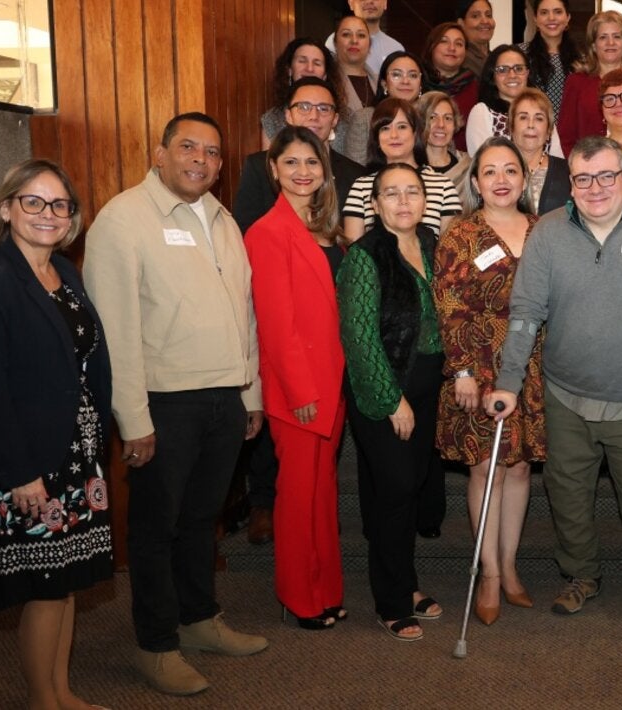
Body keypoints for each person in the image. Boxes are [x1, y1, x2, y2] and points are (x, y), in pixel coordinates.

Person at [84, 113, 268, 695]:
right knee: (155, 527)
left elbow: (246, 312)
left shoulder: (223, 219)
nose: (201, 159)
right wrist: (132, 419)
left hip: (223, 397)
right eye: (188, 146)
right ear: (159, 153)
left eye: (212, 152)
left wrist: (250, 391)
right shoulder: (123, 219)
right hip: (163, 405)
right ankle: (156, 643)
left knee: (201, 520)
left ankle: (199, 619)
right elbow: (113, 331)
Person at [485, 135, 622, 626]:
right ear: (571, 184)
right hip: (565, 394)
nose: (595, 187)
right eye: (583, 178)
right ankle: (580, 575)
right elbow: (524, 315)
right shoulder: (549, 233)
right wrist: (508, 383)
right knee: (569, 496)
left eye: (606, 176)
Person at [0, 159, 111, 710]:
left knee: (66, 582)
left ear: (72, 218)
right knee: (44, 584)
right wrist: (20, 473)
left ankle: (62, 692)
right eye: (33, 202)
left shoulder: (65, 273)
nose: (48, 214)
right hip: (22, 460)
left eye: (59, 205)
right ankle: (43, 701)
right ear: (6, 208)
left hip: (74, 450)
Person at [434, 138, 547, 626]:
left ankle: (511, 565)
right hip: (477, 366)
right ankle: (489, 573)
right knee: (487, 469)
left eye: (510, 171)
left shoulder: (545, 230)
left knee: (519, 469)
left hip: (535, 365)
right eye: (489, 172)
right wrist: (460, 369)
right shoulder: (460, 234)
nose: (501, 179)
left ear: (524, 179)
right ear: (475, 182)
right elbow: (448, 305)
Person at [336, 163, 447, 642]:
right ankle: (392, 601)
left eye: (412, 192)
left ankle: (406, 582)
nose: (403, 201)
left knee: (410, 487)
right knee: (396, 488)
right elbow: (359, 340)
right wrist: (392, 401)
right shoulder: (363, 257)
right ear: (375, 205)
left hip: (429, 386)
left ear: (424, 200)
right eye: (391, 194)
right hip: (382, 388)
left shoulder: (431, 246)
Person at [243, 127, 348, 631]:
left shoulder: (325, 228)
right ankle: (298, 596)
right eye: (292, 163)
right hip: (300, 391)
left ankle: (325, 588)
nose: (303, 172)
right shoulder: (266, 232)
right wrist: (301, 390)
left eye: (312, 162)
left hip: (333, 383)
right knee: (297, 498)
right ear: (273, 168)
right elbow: (276, 323)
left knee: (322, 494)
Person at [235, 77, 365, 235]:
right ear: (288, 115)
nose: (314, 116)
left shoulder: (356, 175)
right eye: (304, 107)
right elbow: (244, 231)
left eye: (324, 109)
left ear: (335, 119)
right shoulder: (259, 166)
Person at [343, 97, 462, 242]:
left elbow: (450, 251)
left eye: (402, 127)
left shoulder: (443, 186)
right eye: (385, 128)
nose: (394, 135)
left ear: (415, 134)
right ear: (377, 138)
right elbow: (353, 250)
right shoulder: (361, 187)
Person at [556, 11, 622, 155]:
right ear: (593, 45)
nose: (610, 43)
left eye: (617, 37)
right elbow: (566, 135)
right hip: (588, 168)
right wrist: (579, 168)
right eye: (603, 37)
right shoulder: (576, 82)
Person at [466, 46, 562, 156]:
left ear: (527, 73)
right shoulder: (482, 112)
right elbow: (482, 162)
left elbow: (557, 161)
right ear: (493, 76)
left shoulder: (542, 111)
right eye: (503, 70)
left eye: (519, 69)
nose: (512, 75)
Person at [259, 38, 350, 154]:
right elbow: (268, 166)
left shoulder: (346, 117)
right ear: (290, 70)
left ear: (325, 75)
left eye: (317, 63)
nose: (310, 68)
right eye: (302, 61)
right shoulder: (272, 119)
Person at [510, 88, 572, 215]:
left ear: (549, 131)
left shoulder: (568, 171)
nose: (531, 125)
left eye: (539, 118)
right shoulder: (496, 171)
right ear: (511, 127)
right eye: (523, 118)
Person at [521, 0, 580, 117]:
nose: (551, 18)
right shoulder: (519, 53)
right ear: (535, 19)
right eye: (544, 13)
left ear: (568, 17)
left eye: (558, 12)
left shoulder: (581, 59)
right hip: (530, 127)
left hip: (568, 131)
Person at [335, 14, 378, 164]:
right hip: (339, 165)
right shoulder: (326, 83)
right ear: (335, 43)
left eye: (361, 35)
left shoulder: (382, 82)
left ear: (369, 45)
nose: (354, 40)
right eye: (346, 34)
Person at [325, 0, 405, 76]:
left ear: (385, 3)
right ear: (351, 3)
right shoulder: (335, 42)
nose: (369, 1)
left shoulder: (396, 48)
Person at [421, 22, 479, 121]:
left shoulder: (475, 87)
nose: (452, 48)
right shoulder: (418, 82)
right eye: (444, 41)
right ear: (431, 46)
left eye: (459, 44)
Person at [418, 90, 473, 190]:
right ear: (421, 122)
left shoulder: (468, 167)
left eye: (447, 118)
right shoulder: (412, 169)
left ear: (455, 124)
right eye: (432, 117)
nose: (441, 125)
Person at [458, 0, 496, 77]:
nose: (485, 21)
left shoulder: (497, 57)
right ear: (461, 23)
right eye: (475, 16)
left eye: (488, 15)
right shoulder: (459, 58)